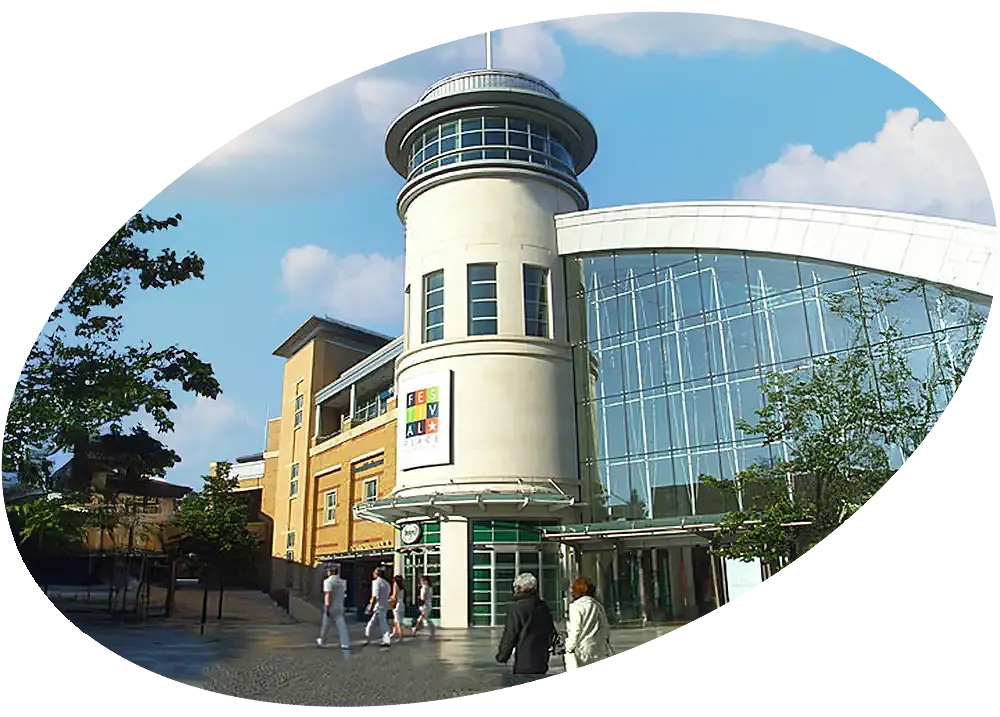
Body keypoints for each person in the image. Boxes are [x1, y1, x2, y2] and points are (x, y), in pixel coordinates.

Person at [495, 572, 556, 675]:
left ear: (520, 588)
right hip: (542, 658)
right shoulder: (543, 607)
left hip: (524, 659)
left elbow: (510, 634)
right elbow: (550, 630)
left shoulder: (516, 608)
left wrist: (502, 655)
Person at [564, 576, 612, 673]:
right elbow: (605, 627)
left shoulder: (576, 606)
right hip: (597, 647)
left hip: (581, 649)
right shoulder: (597, 605)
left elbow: (576, 629)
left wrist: (569, 647)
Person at [316, 564, 350, 649]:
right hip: (339, 606)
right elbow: (344, 594)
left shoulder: (328, 581)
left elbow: (328, 594)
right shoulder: (343, 582)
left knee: (326, 625)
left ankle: (322, 640)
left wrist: (327, 607)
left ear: (330, 572)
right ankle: (344, 643)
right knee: (341, 625)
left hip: (331, 606)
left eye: (328, 571)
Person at [364, 566, 392, 647]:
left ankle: (386, 640)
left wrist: (371, 608)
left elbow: (374, 596)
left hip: (378, 607)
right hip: (384, 605)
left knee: (381, 624)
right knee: (373, 624)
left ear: (376, 574)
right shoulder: (386, 583)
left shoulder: (376, 582)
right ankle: (368, 638)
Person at [390, 574, 407, 642]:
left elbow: (394, 596)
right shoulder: (402, 587)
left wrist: (390, 600)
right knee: (397, 620)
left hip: (397, 604)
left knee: (398, 622)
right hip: (402, 604)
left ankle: (401, 637)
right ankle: (394, 632)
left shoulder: (395, 585)